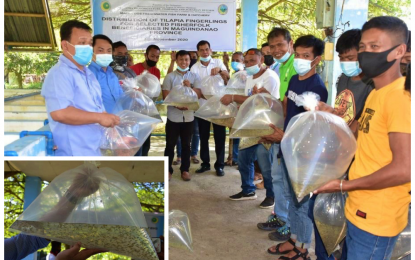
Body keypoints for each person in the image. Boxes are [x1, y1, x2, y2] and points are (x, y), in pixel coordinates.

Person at [314, 16, 410, 260]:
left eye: (375, 47)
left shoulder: (401, 98)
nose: (366, 54)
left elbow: (405, 168)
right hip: (359, 205)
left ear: (399, 51)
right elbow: (357, 136)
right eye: (363, 48)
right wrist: (332, 117)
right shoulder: (377, 93)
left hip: (378, 215)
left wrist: (344, 185)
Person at [305, 28, 374, 260]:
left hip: (354, 160)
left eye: (351, 58)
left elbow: (358, 126)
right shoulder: (343, 78)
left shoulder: (372, 84)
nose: (346, 62)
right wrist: (327, 112)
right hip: (335, 153)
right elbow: (342, 114)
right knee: (319, 210)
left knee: (343, 220)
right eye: (342, 58)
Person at [262, 35, 327, 260]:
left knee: (302, 202)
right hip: (287, 147)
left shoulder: (316, 87)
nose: (300, 59)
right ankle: (293, 237)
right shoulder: (294, 81)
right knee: (291, 197)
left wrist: (285, 137)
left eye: (306, 56)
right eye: (298, 54)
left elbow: (311, 127)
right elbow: (289, 111)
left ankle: (302, 247)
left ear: (316, 59)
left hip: (303, 153)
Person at [41, 20, 119, 156]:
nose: (87, 48)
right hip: (74, 153)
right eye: (82, 43)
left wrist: (110, 121)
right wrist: (99, 118)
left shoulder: (88, 74)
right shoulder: (59, 73)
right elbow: (60, 113)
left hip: (93, 149)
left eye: (89, 44)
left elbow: (97, 108)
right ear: (65, 45)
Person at [221, 48, 280, 209]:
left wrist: (233, 98)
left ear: (261, 60)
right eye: (246, 62)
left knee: (265, 164)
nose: (248, 64)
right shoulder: (249, 77)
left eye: (252, 61)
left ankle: (271, 195)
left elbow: (267, 101)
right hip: (250, 125)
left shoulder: (270, 77)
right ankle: (248, 190)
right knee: (244, 159)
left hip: (265, 126)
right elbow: (250, 101)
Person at [257, 27, 298, 232]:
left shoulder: (296, 67)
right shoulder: (278, 69)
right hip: (279, 132)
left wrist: (287, 134)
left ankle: (289, 224)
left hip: (291, 134)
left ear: (290, 44)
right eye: (272, 46)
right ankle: (280, 217)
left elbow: (296, 106)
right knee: (278, 178)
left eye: (280, 44)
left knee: (288, 182)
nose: (276, 49)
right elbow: (281, 102)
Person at [191, 40, 230, 176]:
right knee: (203, 136)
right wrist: (199, 93)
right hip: (202, 107)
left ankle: (219, 165)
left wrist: (220, 71)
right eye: (201, 50)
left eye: (206, 49)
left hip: (219, 107)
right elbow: (193, 87)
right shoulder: (194, 68)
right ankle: (205, 163)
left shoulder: (218, 62)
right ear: (198, 52)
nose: (204, 52)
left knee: (220, 136)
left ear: (211, 50)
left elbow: (227, 78)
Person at [162, 50, 202, 181]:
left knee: (186, 145)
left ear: (190, 61)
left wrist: (190, 87)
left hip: (189, 116)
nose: (184, 62)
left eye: (186, 60)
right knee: (170, 145)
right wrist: (177, 105)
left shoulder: (194, 76)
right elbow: (166, 96)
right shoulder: (170, 77)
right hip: (173, 116)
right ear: (176, 60)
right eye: (181, 60)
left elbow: (199, 94)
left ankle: (185, 170)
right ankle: (167, 170)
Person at [130, 44, 161, 156]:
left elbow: (155, 91)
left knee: (146, 140)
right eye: (152, 56)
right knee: (135, 141)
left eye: (157, 57)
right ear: (146, 55)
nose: (155, 59)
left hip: (148, 110)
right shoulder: (133, 69)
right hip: (135, 111)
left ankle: (144, 160)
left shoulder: (156, 71)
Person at [89, 34, 124, 114]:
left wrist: (132, 94)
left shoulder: (112, 74)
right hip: (101, 124)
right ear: (91, 51)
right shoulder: (89, 75)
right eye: (100, 50)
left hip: (119, 121)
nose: (105, 54)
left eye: (109, 50)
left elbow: (121, 97)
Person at [224, 51, 244, 167]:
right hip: (233, 108)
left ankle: (237, 159)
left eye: (238, 60)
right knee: (233, 134)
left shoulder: (245, 75)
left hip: (242, 108)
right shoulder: (235, 74)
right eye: (233, 60)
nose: (235, 63)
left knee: (240, 135)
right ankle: (232, 157)